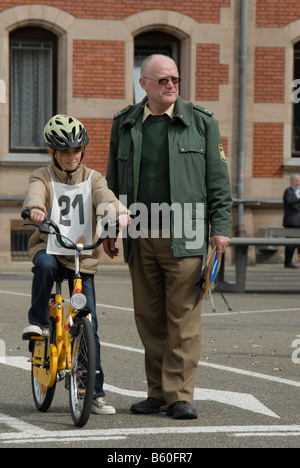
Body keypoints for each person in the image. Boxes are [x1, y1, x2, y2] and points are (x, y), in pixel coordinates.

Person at [105, 55, 232, 420]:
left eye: (175, 79)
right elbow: (112, 184)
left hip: (187, 233)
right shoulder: (125, 123)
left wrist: (221, 228)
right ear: (143, 84)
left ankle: (179, 395)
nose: (172, 85)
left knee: (183, 319)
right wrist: (110, 228)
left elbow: (218, 182)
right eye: (163, 80)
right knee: (149, 318)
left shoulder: (201, 123)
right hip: (140, 231)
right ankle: (157, 393)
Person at [22, 114, 130, 415]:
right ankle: (39, 322)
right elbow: (35, 196)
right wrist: (36, 210)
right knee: (43, 265)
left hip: (82, 256)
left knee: (89, 325)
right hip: (51, 248)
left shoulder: (93, 178)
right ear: (52, 153)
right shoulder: (42, 176)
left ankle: (93, 393)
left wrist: (117, 212)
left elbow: (104, 197)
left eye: (76, 151)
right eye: (65, 152)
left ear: (82, 151)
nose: (71, 157)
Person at [283, 174, 300, 268]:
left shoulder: (298, 192)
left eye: (299, 181)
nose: (298, 183)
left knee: (294, 243)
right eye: (297, 181)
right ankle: (288, 262)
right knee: (290, 243)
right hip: (291, 222)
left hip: (297, 221)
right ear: (292, 182)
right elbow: (289, 201)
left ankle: (289, 261)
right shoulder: (288, 191)